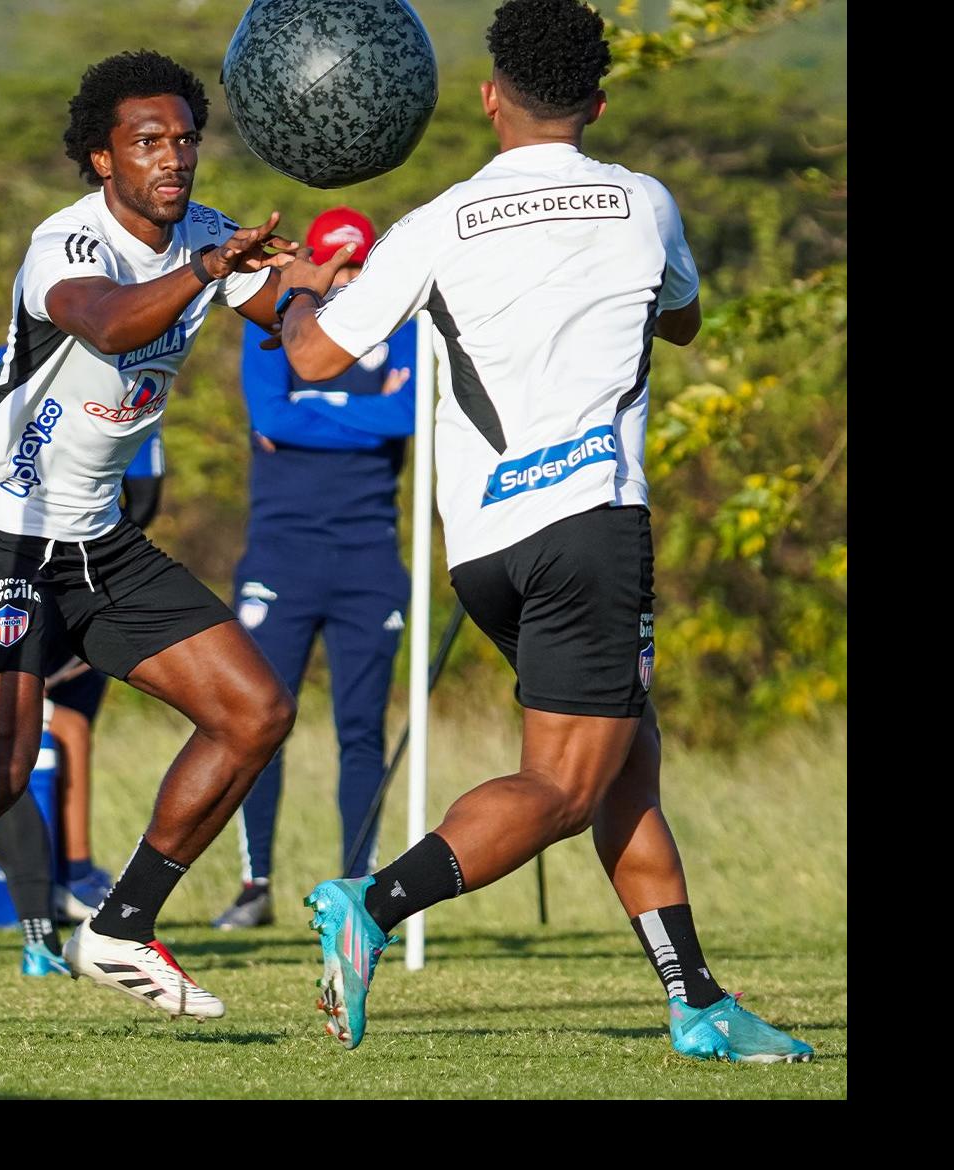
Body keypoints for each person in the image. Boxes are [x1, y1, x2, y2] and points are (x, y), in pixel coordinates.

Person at [272, 0, 811, 1062]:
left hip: (484, 549)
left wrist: (294, 294)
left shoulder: (436, 222)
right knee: (566, 786)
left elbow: (315, 357)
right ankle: (373, 903)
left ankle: (698, 1000)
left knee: (623, 760)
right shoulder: (643, 203)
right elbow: (684, 318)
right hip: (589, 528)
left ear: (489, 98)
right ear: (597, 103)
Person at [0, 49, 352, 1046]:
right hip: (1, 535)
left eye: (185, 138)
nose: (172, 157)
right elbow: (106, 325)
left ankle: (122, 926)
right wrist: (209, 271)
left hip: (100, 538)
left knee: (254, 712)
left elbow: (296, 328)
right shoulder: (67, 243)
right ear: (103, 158)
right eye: (148, 142)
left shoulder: (206, 234)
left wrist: (311, 293)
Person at [214, 207, 416, 929]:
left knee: (361, 732)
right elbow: (271, 417)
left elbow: (407, 418)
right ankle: (255, 885)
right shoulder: (273, 326)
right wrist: (357, 414)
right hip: (281, 556)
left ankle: (360, 890)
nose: (344, 280)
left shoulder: (401, 328)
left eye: (356, 267)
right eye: (333, 267)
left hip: (369, 559)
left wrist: (315, 407)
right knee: (259, 722)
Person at [0, 344, 145, 920]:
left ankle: (73, 876)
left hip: (67, 571)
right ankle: (70, 876)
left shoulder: (126, 362)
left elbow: (144, 493)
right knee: (38, 738)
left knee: (64, 731)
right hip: (0, 572)